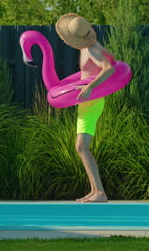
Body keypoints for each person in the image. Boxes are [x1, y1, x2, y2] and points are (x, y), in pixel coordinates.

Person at [56, 13, 115, 203]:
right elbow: (112, 58)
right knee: (80, 147)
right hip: (85, 102)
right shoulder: (91, 47)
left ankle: (100, 193)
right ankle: (94, 190)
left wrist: (90, 86)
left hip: (91, 101)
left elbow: (109, 68)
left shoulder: (91, 49)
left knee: (82, 147)